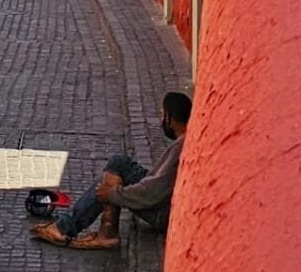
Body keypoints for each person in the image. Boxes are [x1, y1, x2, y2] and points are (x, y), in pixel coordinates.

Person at [33, 92, 192, 250]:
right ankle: (102, 231)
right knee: (118, 164)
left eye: (162, 115)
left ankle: (68, 228)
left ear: (170, 119)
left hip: (162, 212)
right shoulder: (185, 140)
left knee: (111, 180)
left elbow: (153, 192)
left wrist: (113, 194)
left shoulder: (180, 147)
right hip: (163, 201)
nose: (161, 120)